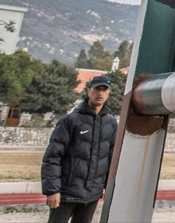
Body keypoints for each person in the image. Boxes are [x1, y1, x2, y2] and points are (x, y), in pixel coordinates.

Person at [40, 74, 118, 223]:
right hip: (66, 192)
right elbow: (53, 157)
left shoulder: (111, 124)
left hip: (92, 195)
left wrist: (110, 189)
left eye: (104, 90)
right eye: (97, 89)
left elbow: (111, 159)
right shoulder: (70, 121)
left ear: (108, 93)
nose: (100, 93)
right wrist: (52, 190)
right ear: (89, 91)